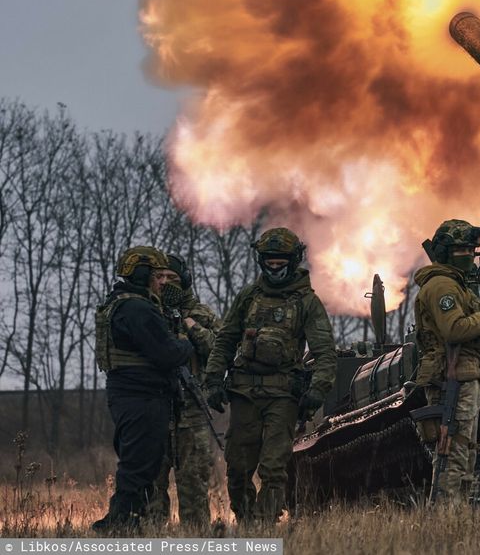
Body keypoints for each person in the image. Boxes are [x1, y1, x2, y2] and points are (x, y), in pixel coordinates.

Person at [202, 227, 336, 525]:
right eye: (270, 262)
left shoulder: (307, 302)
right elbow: (225, 339)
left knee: (274, 468)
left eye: (281, 262)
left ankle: (264, 525)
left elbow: (325, 352)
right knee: (237, 467)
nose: (275, 268)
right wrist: (212, 380)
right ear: (262, 261)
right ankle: (248, 520)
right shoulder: (249, 296)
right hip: (244, 393)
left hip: (283, 396)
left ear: (293, 261)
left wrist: (317, 390)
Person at [93, 246, 193, 532]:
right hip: (141, 397)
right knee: (138, 466)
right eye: (158, 275)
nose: (164, 282)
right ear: (141, 274)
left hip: (134, 395)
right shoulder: (137, 308)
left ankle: (134, 524)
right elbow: (170, 353)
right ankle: (118, 525)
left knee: (142, 464)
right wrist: (186, 340)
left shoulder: (123, 303)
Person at [412, 220, 480, 503]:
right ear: (444, 252)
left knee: (465, 450)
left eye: (471, 248)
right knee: (452, 451)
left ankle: (457, 515)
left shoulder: (458, 286)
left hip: (465, 374)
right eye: (461, 249)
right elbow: (454, 329)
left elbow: (474, 320)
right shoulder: (443, 286)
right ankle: (445, 515)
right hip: (452, 377)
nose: (469, 254)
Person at [150, 254, 221, 527]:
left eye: (173, 278)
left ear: (185, 282)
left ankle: (197, 536)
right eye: (160, 277)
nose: (165, 282)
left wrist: (192, 328)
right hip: (155, 407)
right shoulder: (146, 313)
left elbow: (220, 349)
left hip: (191, 409)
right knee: (153, 482)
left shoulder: (201, 314)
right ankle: (153, 539)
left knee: (193, 480)